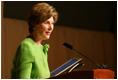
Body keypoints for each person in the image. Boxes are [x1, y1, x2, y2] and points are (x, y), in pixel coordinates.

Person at [11, 2, 58, 79]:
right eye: (46, 23)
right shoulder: (26, 46)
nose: (51, 27)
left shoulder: (40, 48)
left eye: (52, 23)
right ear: (34, 24)